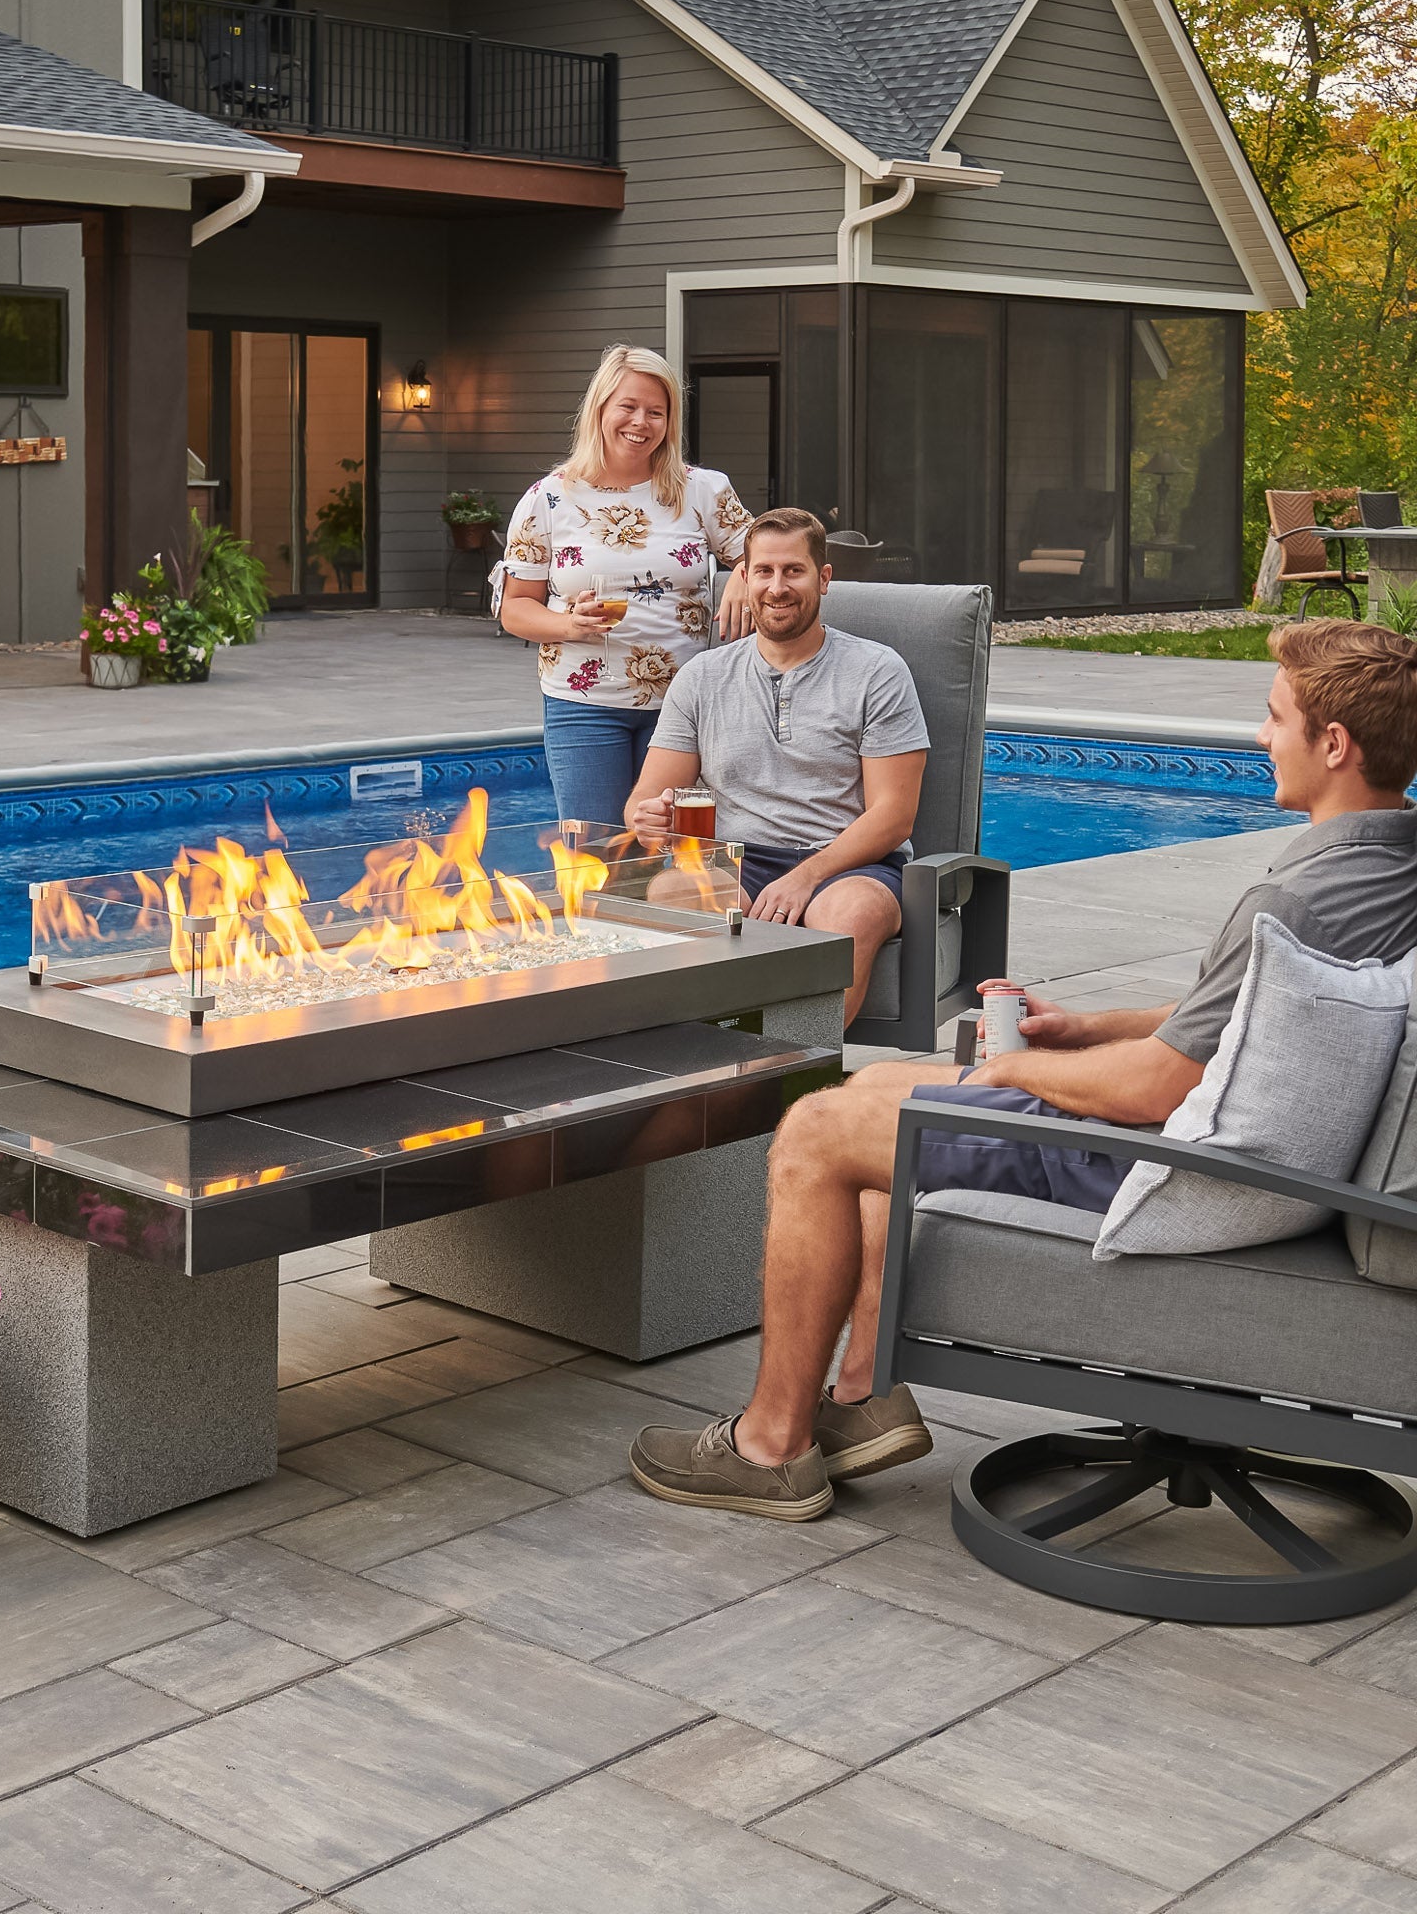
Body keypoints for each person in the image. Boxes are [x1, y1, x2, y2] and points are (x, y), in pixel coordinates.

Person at [629, 617, 1417, 1522]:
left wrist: (1022, 1077)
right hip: (1259, 1155)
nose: (1258, 735)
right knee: (879, 1096)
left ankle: (769, 1446)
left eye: (1273, 717)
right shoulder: (1390, 861)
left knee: (817, 1128)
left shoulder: (1294, 898)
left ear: (1334, 743)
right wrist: (1085, 1028)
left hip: (1184, 1174)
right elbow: (1259, 1018)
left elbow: (1156, 1086)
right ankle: (860, 1397)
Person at [625, 506, 928, 1026]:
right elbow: (646, 800)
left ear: (824, 578)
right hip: (734, 859)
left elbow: (894, 815)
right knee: (674, 891)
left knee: (849, 912)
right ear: (744, 578)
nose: (777, 587)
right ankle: (709, 1074)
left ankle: (790, 1075)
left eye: (794, 571)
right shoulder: (702, 677)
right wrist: (648, 818)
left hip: (849, 863)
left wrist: (806, 876)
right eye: (763, 571)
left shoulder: (877, 672)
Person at [497, 344, 755, 827]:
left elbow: (766, 554)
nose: (641, 422)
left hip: (685, 705)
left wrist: (742, 571)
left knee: (676, 851)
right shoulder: (549, 497)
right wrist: (567, 624)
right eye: (629, 407)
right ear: (600, 409)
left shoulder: (703, 489)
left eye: (656, 412)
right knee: (594, 853)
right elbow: (515, 608)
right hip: (583, 706)